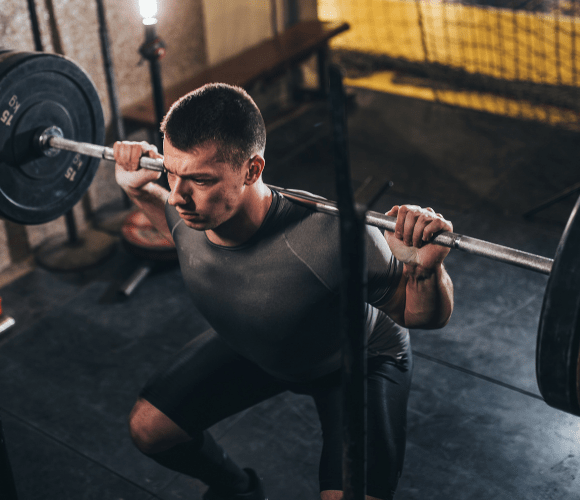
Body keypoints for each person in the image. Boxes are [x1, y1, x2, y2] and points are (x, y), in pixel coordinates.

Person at [113, 83, 454, 500]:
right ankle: (238, 490)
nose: (178, 197)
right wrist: (136, 187)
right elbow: (175, 227)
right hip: (263, 344)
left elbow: (421, 316)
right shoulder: (190, 211)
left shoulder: (332, 236)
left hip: (356, 361)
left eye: (201, 179)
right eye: (171, 172)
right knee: (148, 429)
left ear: (252, 170)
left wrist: (423, 270)